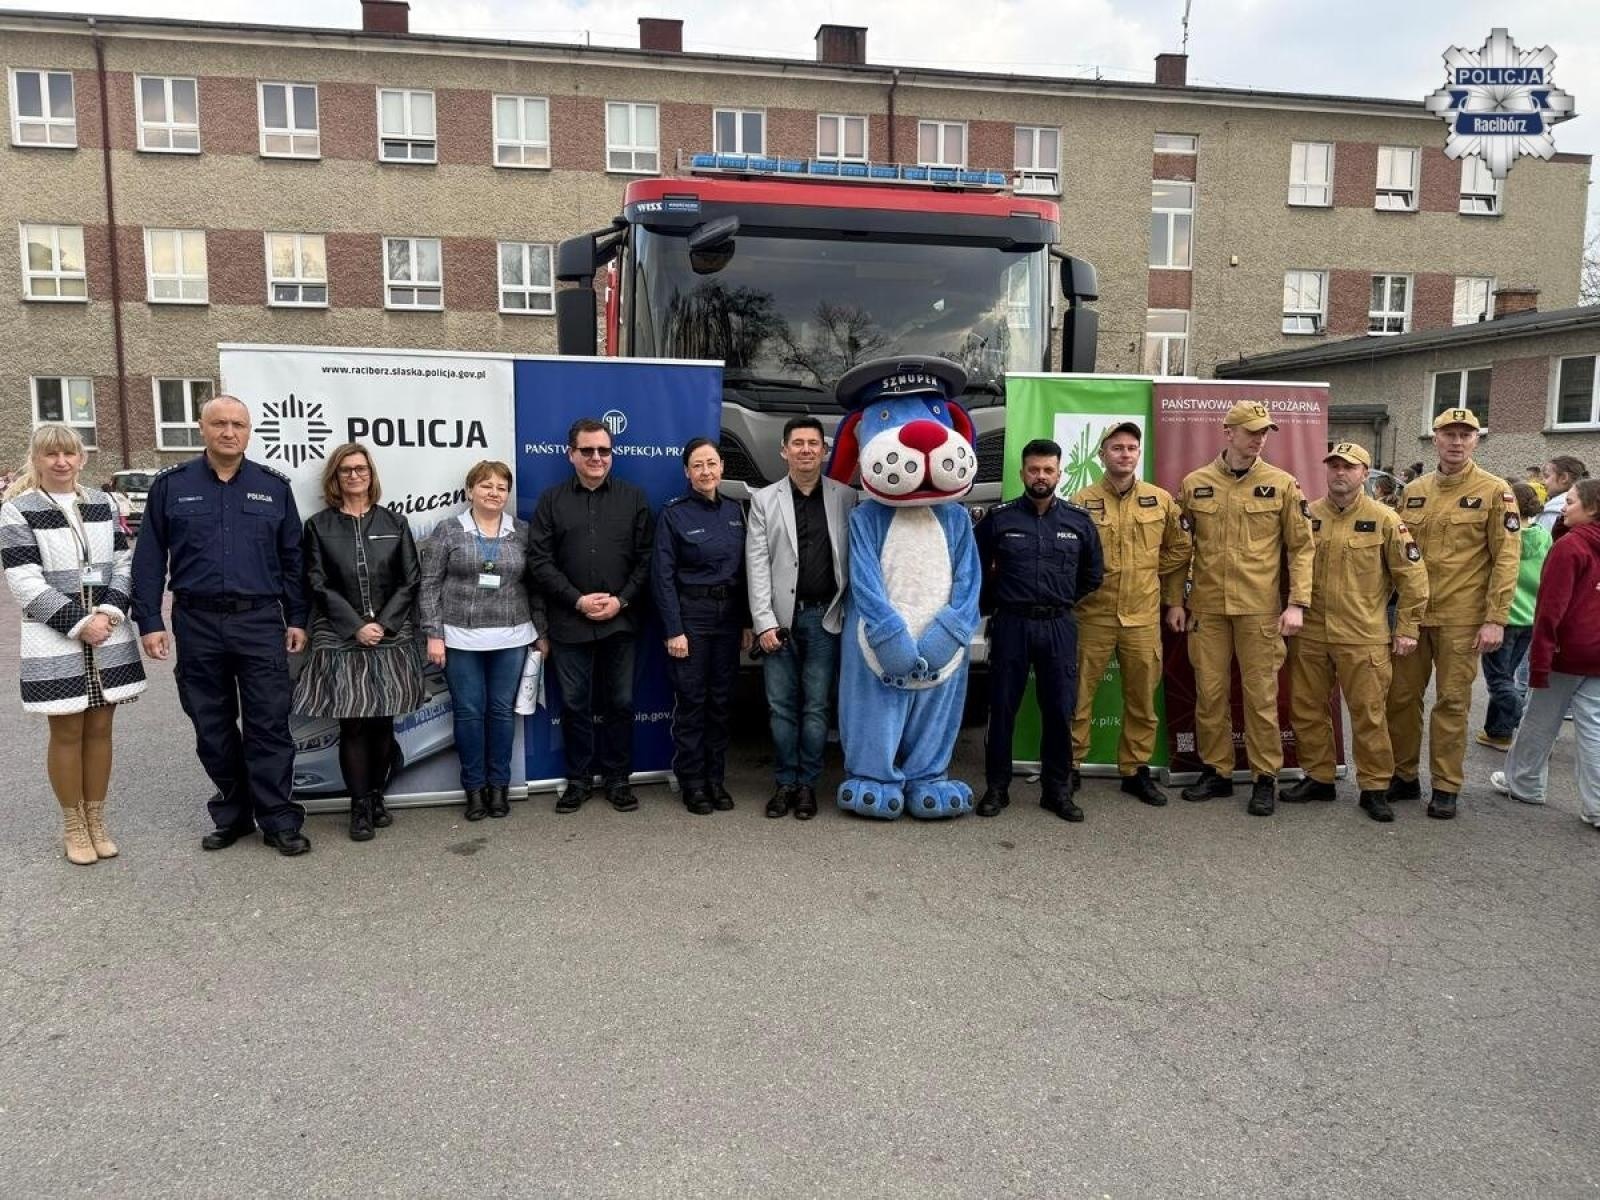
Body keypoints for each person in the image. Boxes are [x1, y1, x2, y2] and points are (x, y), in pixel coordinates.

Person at [131, 396, 310, 855]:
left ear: (249, 431)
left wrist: (298, 618)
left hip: (260, 621)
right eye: (220, 424)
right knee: (210, 724)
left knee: (268, 724)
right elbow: (149, 558)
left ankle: (277, 818)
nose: (229, 432)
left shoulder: (272, 488)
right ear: (202, 429)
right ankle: (233, 813)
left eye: (238, 424)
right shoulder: (172, 486)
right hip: (197, 621)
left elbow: (293, 559)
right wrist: (149, 619)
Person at [2, 425, 147, 864]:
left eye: (69, 453)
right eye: (51, 455)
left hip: (109, 630)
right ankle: (73, 825)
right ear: (37, 459)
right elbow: (24, 581)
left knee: (101, 729)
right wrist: (80, 622)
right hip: (55, 636)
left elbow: (125, 562)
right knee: (66, 730)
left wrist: (108, 614)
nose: (61, 462)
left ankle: (97, 819)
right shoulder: (17, 511)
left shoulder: (103, 502)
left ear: (81, 458)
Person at [1176, 400, 1315, 817]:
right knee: (1210, 694)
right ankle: (1217, 771)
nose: (1258, 439)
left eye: (1264, 432)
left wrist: (1297, 603)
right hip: (1207, 608)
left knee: (1261, 698)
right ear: (1228, 432)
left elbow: (1302, 548)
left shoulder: (1282, 484)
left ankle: (1264, 777)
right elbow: (1180, 549)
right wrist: (1174, 601)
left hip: (1260, 610)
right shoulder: (1195, 483)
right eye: (1251, 431)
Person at [1383, 408, 1521, 819]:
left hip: (1462, 617)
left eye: (1465, 434)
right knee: (1401, 699)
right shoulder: (1415, 490)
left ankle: (1445, 785)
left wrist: (1496, 618)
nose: (1456, 441)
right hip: (1413, 615)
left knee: (1452, 703)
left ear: (1477, 440)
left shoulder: (1496, 492)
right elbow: (1398, 556)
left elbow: (1506, 559)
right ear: (1435, 439)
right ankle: (1403, 775)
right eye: (1449, 434)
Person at [1282, 443, 1428, 822]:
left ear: (1366, 474)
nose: (1340, 474)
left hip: (1362, 634)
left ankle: (1375, 786)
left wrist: (1408, 627)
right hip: (1312, 631)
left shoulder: (1385, 519)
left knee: (1369, 713)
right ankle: (1319, 777)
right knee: (1307, 708)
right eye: (1334, 467)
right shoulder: (1307, 514)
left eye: (1349, 467)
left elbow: (1412, 578)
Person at [293, 443, 427, 840]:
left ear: (371, 475)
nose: (354, 476)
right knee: (352, 724)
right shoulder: (319, 526)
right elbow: (316, 582)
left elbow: (411, 579)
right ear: (334, 478)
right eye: (345, 471)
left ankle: (376, 795)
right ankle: (359, 807)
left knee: (384, 722)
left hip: (391, 633)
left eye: (360, 469)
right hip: (339, 633)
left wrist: (383, 625)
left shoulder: (394, 522)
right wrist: (355, 625)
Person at [974, 438, 1104, 820]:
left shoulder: (1078, 521)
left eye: (1048, 470)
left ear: (1059, 473)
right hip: (1011, 623)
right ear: (1022, 473)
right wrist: (994, 608)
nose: (1041, 476)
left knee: (1059, 710)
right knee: (1002, 709)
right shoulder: (999, 518)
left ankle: (1057, 790)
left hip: (1059, 625)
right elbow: (977, 572)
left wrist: (1060, 600)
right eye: (1034, 469)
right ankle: (997, 788)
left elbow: (1093, 575)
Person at [528, 418, 652, 814]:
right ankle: (578, 781)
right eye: (588, 451)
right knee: (576, 704)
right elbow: (539, 561)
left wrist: (621, 601)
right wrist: (578, 601)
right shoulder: (551, 501)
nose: (597, 457)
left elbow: (647, 560)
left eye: (604, 450)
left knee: (620, 702)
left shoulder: (634, 499)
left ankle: (618, 780)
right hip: (569, 621)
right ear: (571, 454)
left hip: (621, 620)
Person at [1068, 422, 1190, 806]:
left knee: (1140, 699)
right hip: (1093, 616)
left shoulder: (1161, 500)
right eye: (1116, 447)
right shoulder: (1080, 501)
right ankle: (1070, 767)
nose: (1124, 453)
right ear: (1102, 454)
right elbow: (1068, 558)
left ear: (1139, 454)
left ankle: (1134, 771)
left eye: (1131, 447)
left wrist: (1169, 597)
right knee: (1078, 696)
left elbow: (1180, 550)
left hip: (1141, 617)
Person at [745, 416, 858, 819]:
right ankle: (785, 782)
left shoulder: (846, 497)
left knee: (815, 708)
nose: (806, 449)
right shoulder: (763, 500)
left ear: (824, 451)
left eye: (813, 443)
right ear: (784, 450)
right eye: (798, 443)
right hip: (780, 621)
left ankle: (808, 785)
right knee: (780, 707)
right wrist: (764, 623)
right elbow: (756, 564)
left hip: (824, 618)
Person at [420, 460, 544, 821]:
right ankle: (474, 789)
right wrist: (433, 634)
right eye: (486, 485)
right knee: (469, 713)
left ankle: (499, 787)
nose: (494, 493)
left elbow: (535, 586)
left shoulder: (522, 531)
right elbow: (429, 584)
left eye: (501, 487)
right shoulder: (449, 530)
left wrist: (541, 633)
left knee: (502, 713)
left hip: (512, 635)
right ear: (470, 490)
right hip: (460, 637)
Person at [1491, 479, 1600, 827]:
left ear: (1592, 508)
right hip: (1596, 650)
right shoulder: (1574, 543)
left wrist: (1540, 661)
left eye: (1570, 502)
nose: (1563, 507)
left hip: (1566, 651)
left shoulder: (1570, 547)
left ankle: (1524, 783)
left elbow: (1550, 609)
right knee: (1593, 729)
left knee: (1538, 721)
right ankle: (1596, 806)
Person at [651, 438, 752, 815]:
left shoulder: (736, 511)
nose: (706, 471)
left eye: (711, 463)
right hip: (690, 618)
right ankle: (692, 782)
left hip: (728, 620)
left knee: (721, 702)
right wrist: (673, 630)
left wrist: (745, 622)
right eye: (698, 465)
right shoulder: (673, 514)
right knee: (692, 703)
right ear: (687, 472)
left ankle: (716, 779)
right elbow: (662, 578)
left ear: (722, 467)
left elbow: (745, 572)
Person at [1476, 481, 1551, 751]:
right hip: (1530, 618)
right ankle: (1498, 732)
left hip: (1504, 617)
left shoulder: (1506, 538)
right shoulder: (1544, 535)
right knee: (1506, 676)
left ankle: (1534, 729)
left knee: (1498, 681)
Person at [1538, 455, 1588, 535]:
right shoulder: (1588, 509)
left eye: (1547, 476)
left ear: (1564, 478)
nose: (1542, 482)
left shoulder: (1551, 513)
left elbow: (1543, 545)